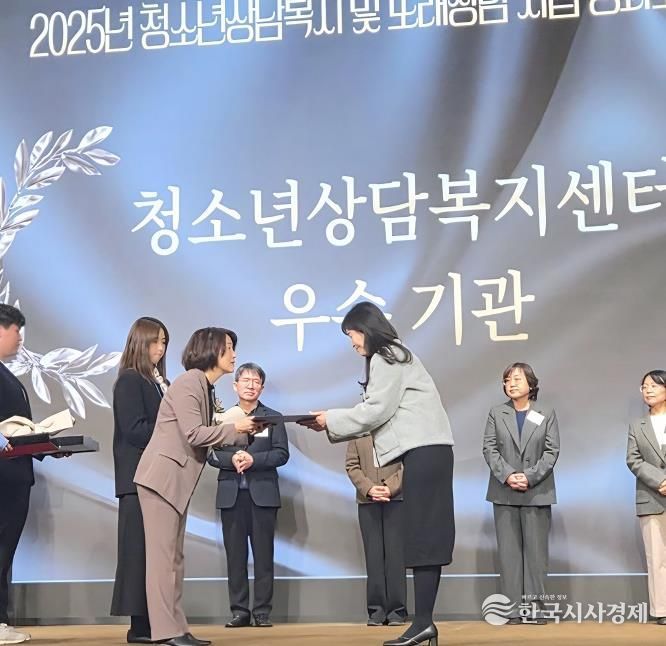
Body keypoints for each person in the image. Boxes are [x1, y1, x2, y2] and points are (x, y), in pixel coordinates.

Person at [300, 301, 454, 646]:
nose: (352, 343)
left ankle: (423, 624)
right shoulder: (395, 355)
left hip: (426, 451)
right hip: (430, 452)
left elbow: (376, 410)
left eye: (351, 334)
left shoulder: (387, 355)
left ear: (365, 329)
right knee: (425, 537)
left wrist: (329, 419)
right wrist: (332, 420)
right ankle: (423, 623)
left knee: (425, 538)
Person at [134, 327, 266, 646]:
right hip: (162, 479)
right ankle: (166, 631)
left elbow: (205, 432)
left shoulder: (202, 385)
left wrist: (242, 431)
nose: (234, 354)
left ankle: (177, 628)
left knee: (173, 559)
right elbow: (194, 434)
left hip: (173, 481)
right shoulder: (189, 382)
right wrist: (236, 427)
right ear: (212, 349)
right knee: (163, 560)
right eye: (229, 347)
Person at [207, 362, 289, 629]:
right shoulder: (222, 418)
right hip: (231, 495)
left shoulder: (273, 417)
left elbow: (281, 454)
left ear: (261, 388)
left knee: (264, 556)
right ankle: (239, 611)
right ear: (235, 386)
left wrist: (253, 460)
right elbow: (212, 454)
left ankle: (262, 612)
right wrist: (233, 459)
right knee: (235, 557)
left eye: (256, 382)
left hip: (263, 495)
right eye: (246, 380)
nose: (251, 385)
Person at [482, 362, 559, 625]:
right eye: (507, 380)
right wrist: (508, 475)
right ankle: (512, 610)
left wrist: (529, 476)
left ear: (531, 384)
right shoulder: (496, 413)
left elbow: (551, 451)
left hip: (537, 492)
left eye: (517, 379)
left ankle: (535, 609)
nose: (511, 384)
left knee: (536, 555)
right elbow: (489, 449)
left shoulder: (546, 413)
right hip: (504, 492)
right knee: (509, 554)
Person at [111, 317, 170, 644]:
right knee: (137, 553)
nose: (160, 349)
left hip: (157, 479)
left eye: (164, 342)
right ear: (140, 342)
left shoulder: (159, 381)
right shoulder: (130, 380)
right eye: (155, 341)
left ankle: (155, 621)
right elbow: (135, 430)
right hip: (137, 481)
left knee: (154, 555)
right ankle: (139, 626)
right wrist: (173, 432)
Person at [345, 435, 406, 627]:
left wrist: (390, 487)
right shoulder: (357, 432)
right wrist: (369, 488)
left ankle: (397, 611)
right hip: (367, 501)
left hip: (396, 500)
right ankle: (376, 611)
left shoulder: (399, 429)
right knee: (374, 558)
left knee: (396, 557)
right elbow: (352, 465)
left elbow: (408, 464)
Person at [0, 305, 34, 645]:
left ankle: (1, 620)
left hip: (16, 473)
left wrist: (44, 445)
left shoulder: (6, 374)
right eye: (15, 330)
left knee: (5, 551)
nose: (20, 338)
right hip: (4, 476)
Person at [626, 369, 666, 625]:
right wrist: (660, 480)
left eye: (653, 385)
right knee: (657, 557)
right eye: (644, 386)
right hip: (650, 497)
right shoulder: (637, 425)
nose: (648, 390)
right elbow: (633, 459)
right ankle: (662, 610)